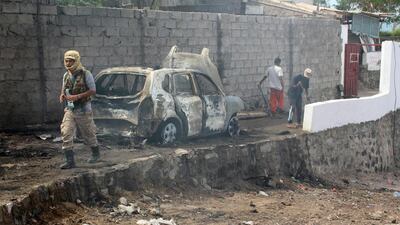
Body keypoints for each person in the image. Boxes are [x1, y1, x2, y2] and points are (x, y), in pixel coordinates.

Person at [59, 50, 100, 169]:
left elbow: (92, 90)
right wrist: (62, 95)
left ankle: (95, 154)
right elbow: (64, 88)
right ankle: (70, 161)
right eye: (66, 60)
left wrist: (77, 97)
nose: (68, 63)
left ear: (76, 61)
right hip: (70, 109)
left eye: (71, 61)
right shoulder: (66, 75)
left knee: (89, 133)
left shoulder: (86, 74)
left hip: (83, 109)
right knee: (66, 132)